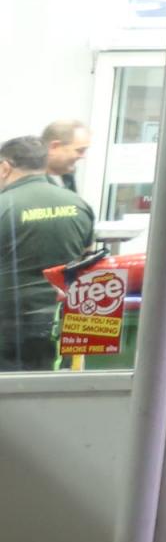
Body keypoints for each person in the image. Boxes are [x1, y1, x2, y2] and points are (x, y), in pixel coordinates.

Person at [2, 134, 96, 372]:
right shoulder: (78, 204)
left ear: (4, 168)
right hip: (63, 322)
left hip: (9, 326)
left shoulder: (4, 206)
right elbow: (89, 261)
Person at [42, 120, 90, 196]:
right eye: (80, 150)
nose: (83, 156)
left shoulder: (68, 177)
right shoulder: (27, 182)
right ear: (54, 147)